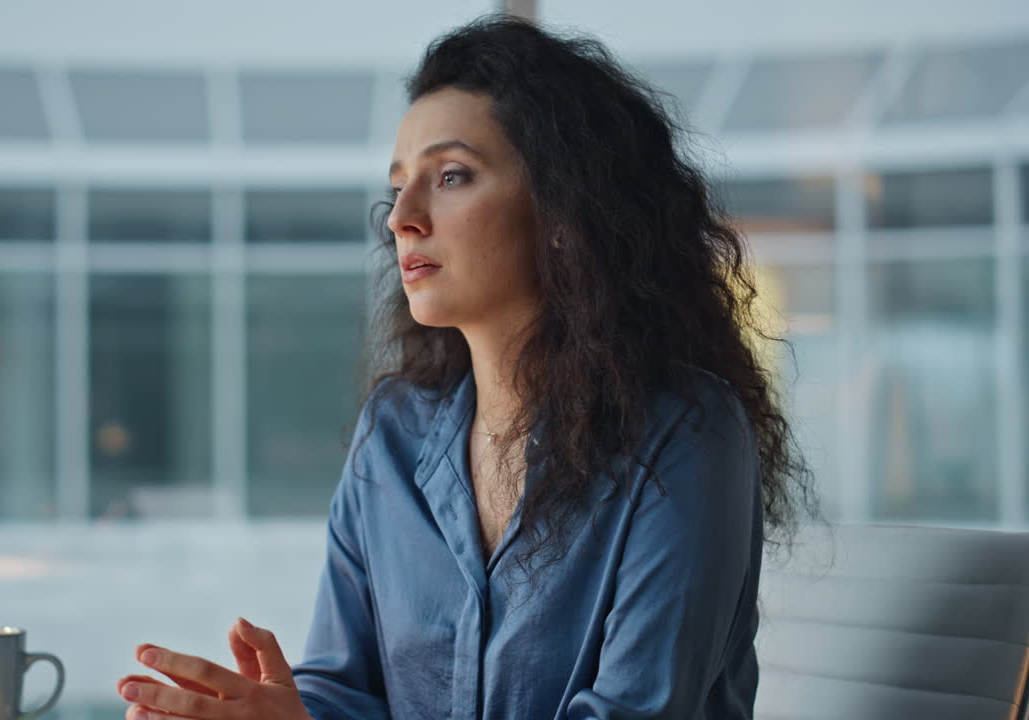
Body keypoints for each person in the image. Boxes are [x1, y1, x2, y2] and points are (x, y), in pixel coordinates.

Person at [116, 13, 814, 720]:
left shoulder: (688, 437)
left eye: (452, 176)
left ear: (564, 210)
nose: (401, 218)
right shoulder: (391, 435)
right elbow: (347, 688)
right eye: (398, 186)